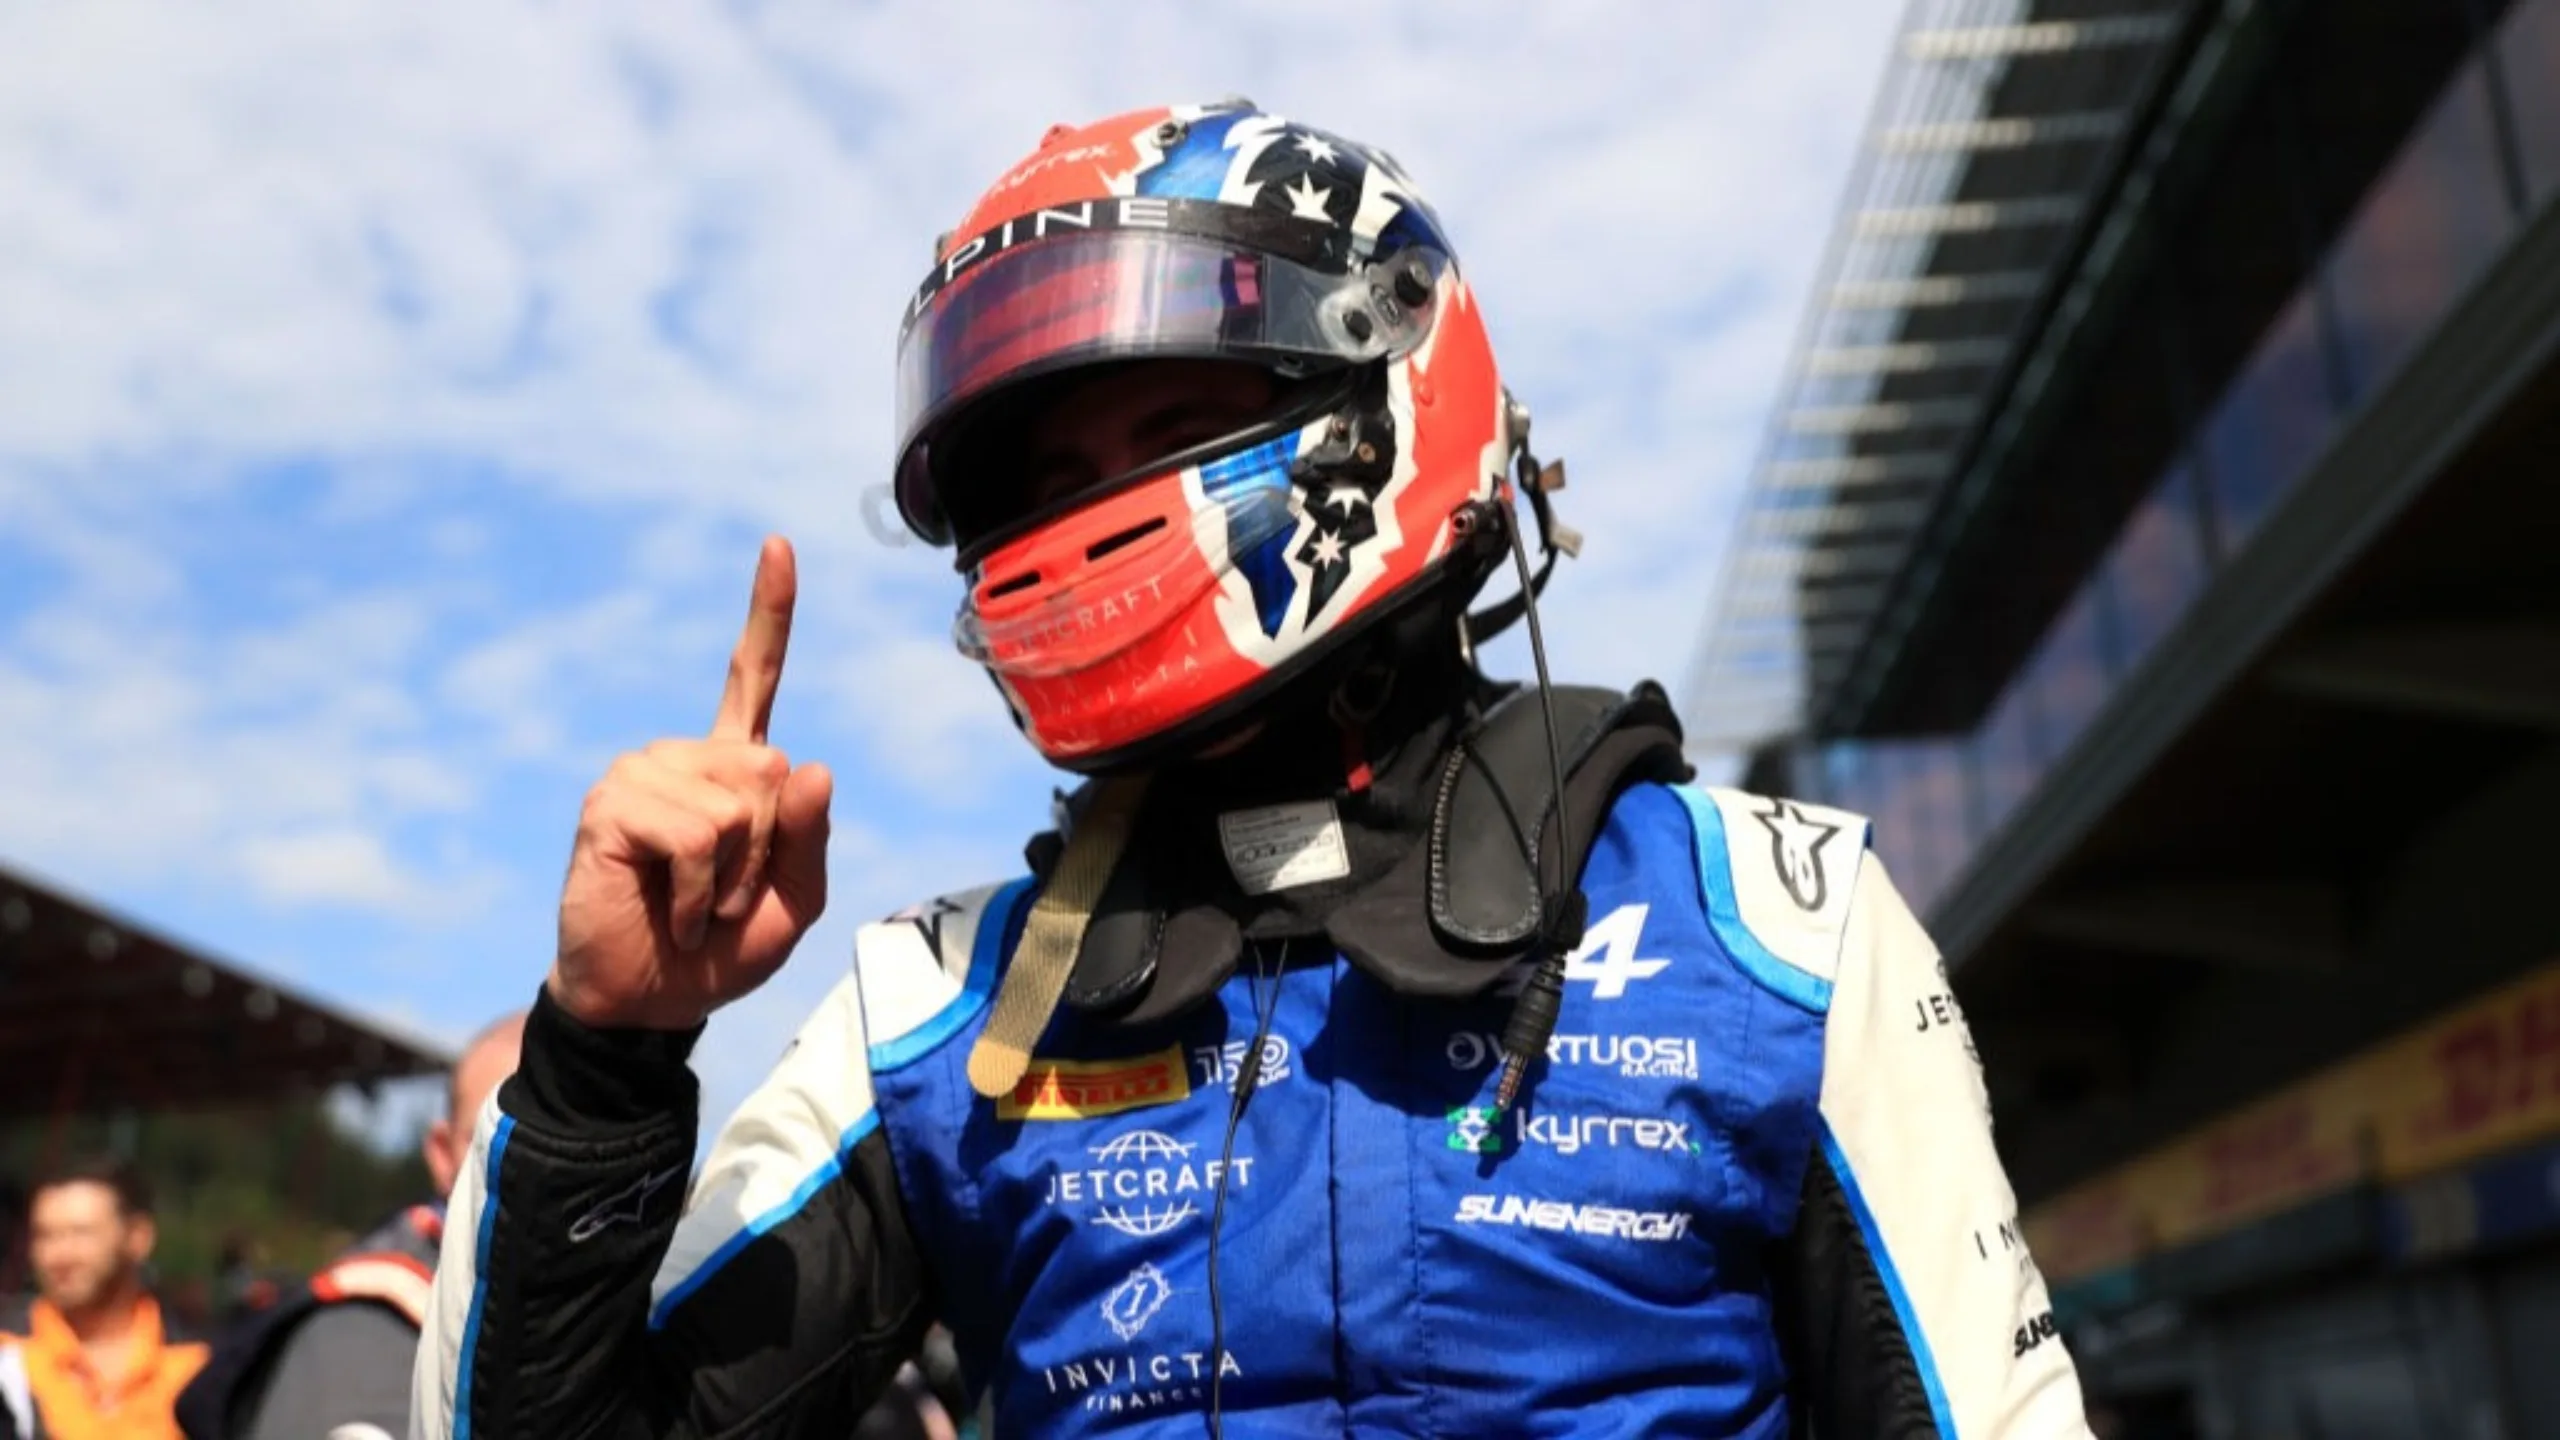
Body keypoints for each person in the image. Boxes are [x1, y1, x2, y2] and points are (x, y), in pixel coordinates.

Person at [414, 100, 2095, 1437]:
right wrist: (609, 1059)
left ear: (1383, 387)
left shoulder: (1774, 925)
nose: (1095, 512)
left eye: (1169, 433)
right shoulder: (938, 1012)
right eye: (1049, 476)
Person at [172, 1012, 525, 1440]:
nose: (534, 1167)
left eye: (579, 1142)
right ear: (442, 1154)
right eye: (496, 1140)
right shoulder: (373, 1326)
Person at [1, 1157, 206, 1440]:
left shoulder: (196, 1361)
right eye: (45, 1236)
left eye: (81, 1233)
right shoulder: (9, 1354)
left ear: (138, 1237)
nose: (60, 1255)